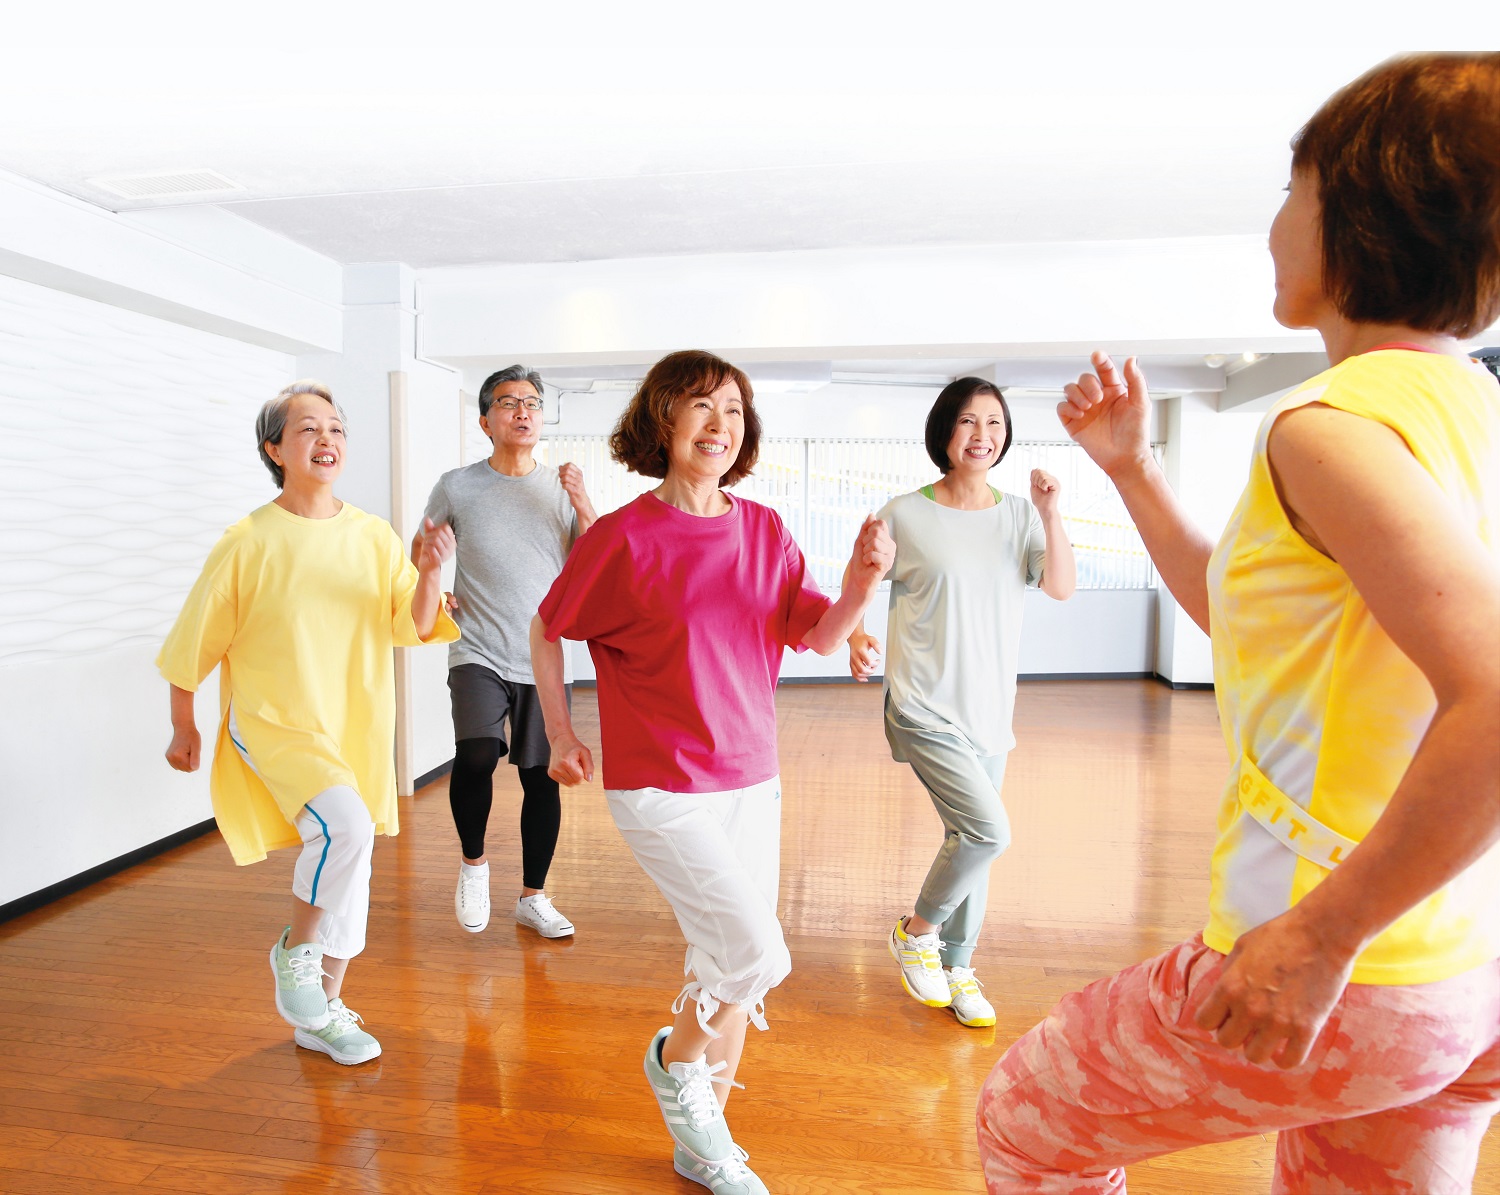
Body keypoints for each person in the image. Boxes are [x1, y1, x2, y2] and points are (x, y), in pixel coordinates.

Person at [977, 52, 1500, 1192]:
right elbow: (1257, 624)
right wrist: (1133, 472)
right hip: (1461, 962)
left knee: (1028, 1117)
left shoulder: (1330, 430)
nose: (1276, 225)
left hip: (1359, 967)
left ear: (1355, 217)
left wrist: (1321, 938)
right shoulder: (1469, 407)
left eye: (1293, 193)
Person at [529, 350, 894, 1195]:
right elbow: (548, 629)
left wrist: (863, 583)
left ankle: (704, 1143)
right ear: (662, 421)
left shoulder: (763, 528)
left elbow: (820, 633)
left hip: (752, 779)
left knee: (720, 964)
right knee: (757, 952)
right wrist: (560, 731)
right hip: (660, 787)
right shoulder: (622, 537)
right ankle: (673, 1060)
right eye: (701, 406)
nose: (720, 424)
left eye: (733, 409)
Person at [159, 381, 459, 1066]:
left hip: (353, 723)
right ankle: (295, 952)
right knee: (346, 829)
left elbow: (411, 625)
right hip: (276, 719)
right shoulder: (248, 541)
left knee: (354, 868)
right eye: (307, 429)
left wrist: (430, 574)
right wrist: (183, 725)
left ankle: (321, 1012)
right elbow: (193, 641)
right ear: (274, 448)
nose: (328, 439)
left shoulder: (373, 536)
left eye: (337, 428)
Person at [846, 378, 1075, 1028]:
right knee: (987, 829)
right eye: (969, 422)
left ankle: (959, 967)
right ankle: (916, 932)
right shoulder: (905, 512)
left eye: (995, 423)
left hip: (988, 711)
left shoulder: (1020, 515)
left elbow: (1058, 585)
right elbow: (857, 580)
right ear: (944, 431)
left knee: (971, 839)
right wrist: (859, 635)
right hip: (921, 703)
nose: (983, 435)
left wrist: (1052, 513)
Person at [418, 364, 596, 940]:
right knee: (473, 757)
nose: (522, 411)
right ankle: (474, 866)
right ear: (485, 420)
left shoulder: (560, 488)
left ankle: (533, 897)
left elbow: (594, 566)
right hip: (475, 646)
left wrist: (584, 502)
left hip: (541, 653)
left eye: (532, 402)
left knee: (541, 778)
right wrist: (432, 572)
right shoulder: (458, 485)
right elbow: (419, 549)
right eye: (508, 402)